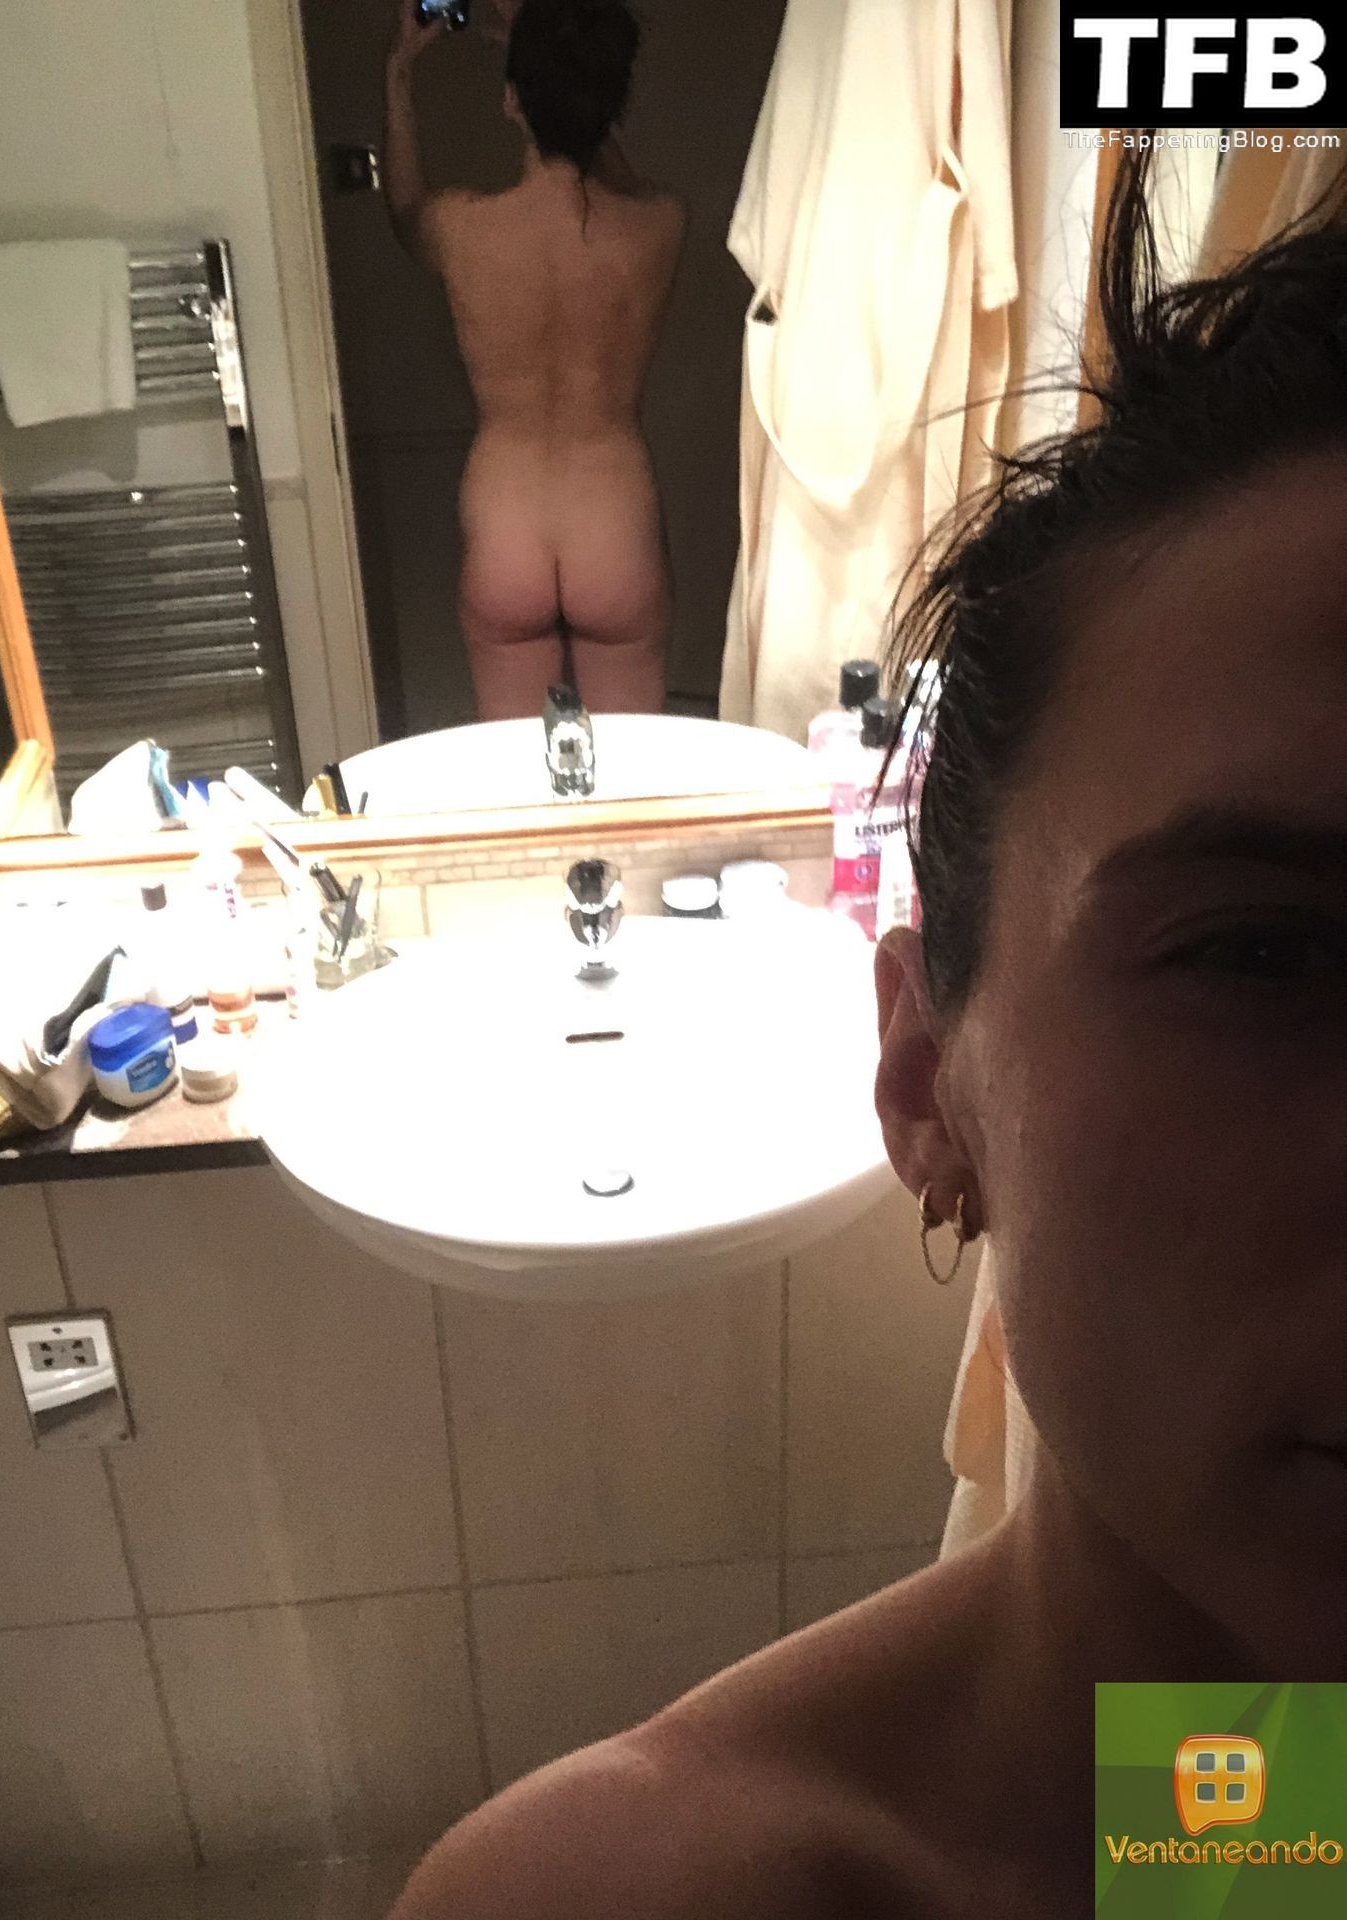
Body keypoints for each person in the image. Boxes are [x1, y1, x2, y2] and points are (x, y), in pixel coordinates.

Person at [385, 142, 1347, 1917]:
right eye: (1269, 955)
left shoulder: (1244, 1819)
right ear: (925, 1079)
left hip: (509, 499)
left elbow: (1230, 1837)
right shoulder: (641, 1894)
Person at [384, 0, 685, 722]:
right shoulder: (659, 225)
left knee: (517, 776)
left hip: (506, 525)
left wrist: (400, 70)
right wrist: (571, 86)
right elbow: (616, 170)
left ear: (511, 102)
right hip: (611, 523)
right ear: (610, 107)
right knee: (635, 775)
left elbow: (403, 207)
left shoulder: (461, 227)